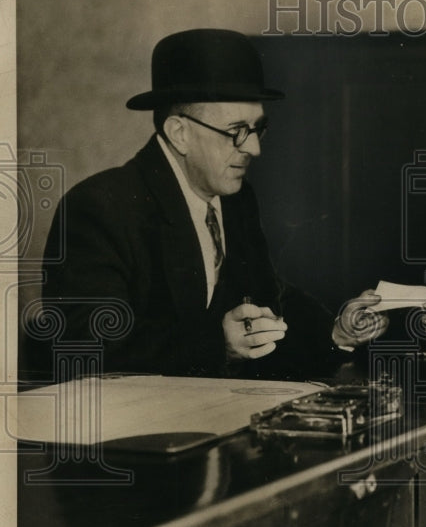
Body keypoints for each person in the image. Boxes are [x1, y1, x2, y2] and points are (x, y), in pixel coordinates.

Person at [40, 28, 383, 380]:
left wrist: (335, 332)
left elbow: (270, 300)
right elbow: (85, 344)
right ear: (180, 134)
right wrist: (215, 345)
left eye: (257, 129)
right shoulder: (100, 207)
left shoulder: (235, 198)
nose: (253, 149)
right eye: (236, 131)